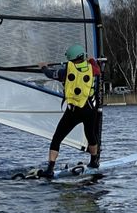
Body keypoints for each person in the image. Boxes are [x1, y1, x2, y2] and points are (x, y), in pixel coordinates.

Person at [38, 43, 101, 178]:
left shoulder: (66, 71)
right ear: (82, 56)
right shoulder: (93, 69)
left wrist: (43, 67)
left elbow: (50, 74)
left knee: (57, 138)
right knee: (91, 136)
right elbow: (97, 69)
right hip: (89, 110)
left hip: (73, 111)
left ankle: (50, 169)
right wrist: (91, 59)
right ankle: (94, 161)